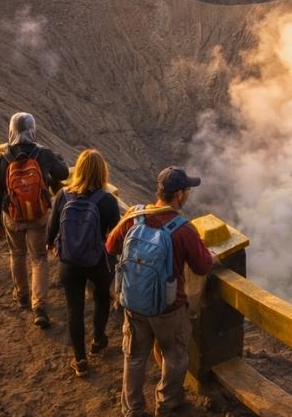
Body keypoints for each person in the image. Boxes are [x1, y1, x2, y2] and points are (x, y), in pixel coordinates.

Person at [106, 167, 214, 417]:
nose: (188, 194)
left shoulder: (134, 216)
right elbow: (202, 265)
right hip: (169, 309)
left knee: (133, 356)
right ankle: (166, 405)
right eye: (187, 190)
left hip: (133, 302)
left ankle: (132, 409)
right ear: (178, 195)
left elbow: (111, 246)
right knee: (174, 356)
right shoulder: (184, 229)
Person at [0, 112, 68, 328]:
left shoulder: (2, 159)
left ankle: (22, 296)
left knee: (17, 254)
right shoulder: (43, 154)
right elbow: (63, 174)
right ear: (33, 129)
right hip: (39, 216)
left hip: (13, 217)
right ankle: (39, 305)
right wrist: (57, 158)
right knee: (39, 258)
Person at [46, 148, 121, 377]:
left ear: (78, 170)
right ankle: (98, 340)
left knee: (74, 309)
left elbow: (51, 231)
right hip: (97, 261)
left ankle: (79, 360)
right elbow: (115, 236)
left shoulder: (63, 195)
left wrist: (52, 247)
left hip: (69, 262)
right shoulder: (107, 200)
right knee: (101, 299)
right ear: (102, 172)